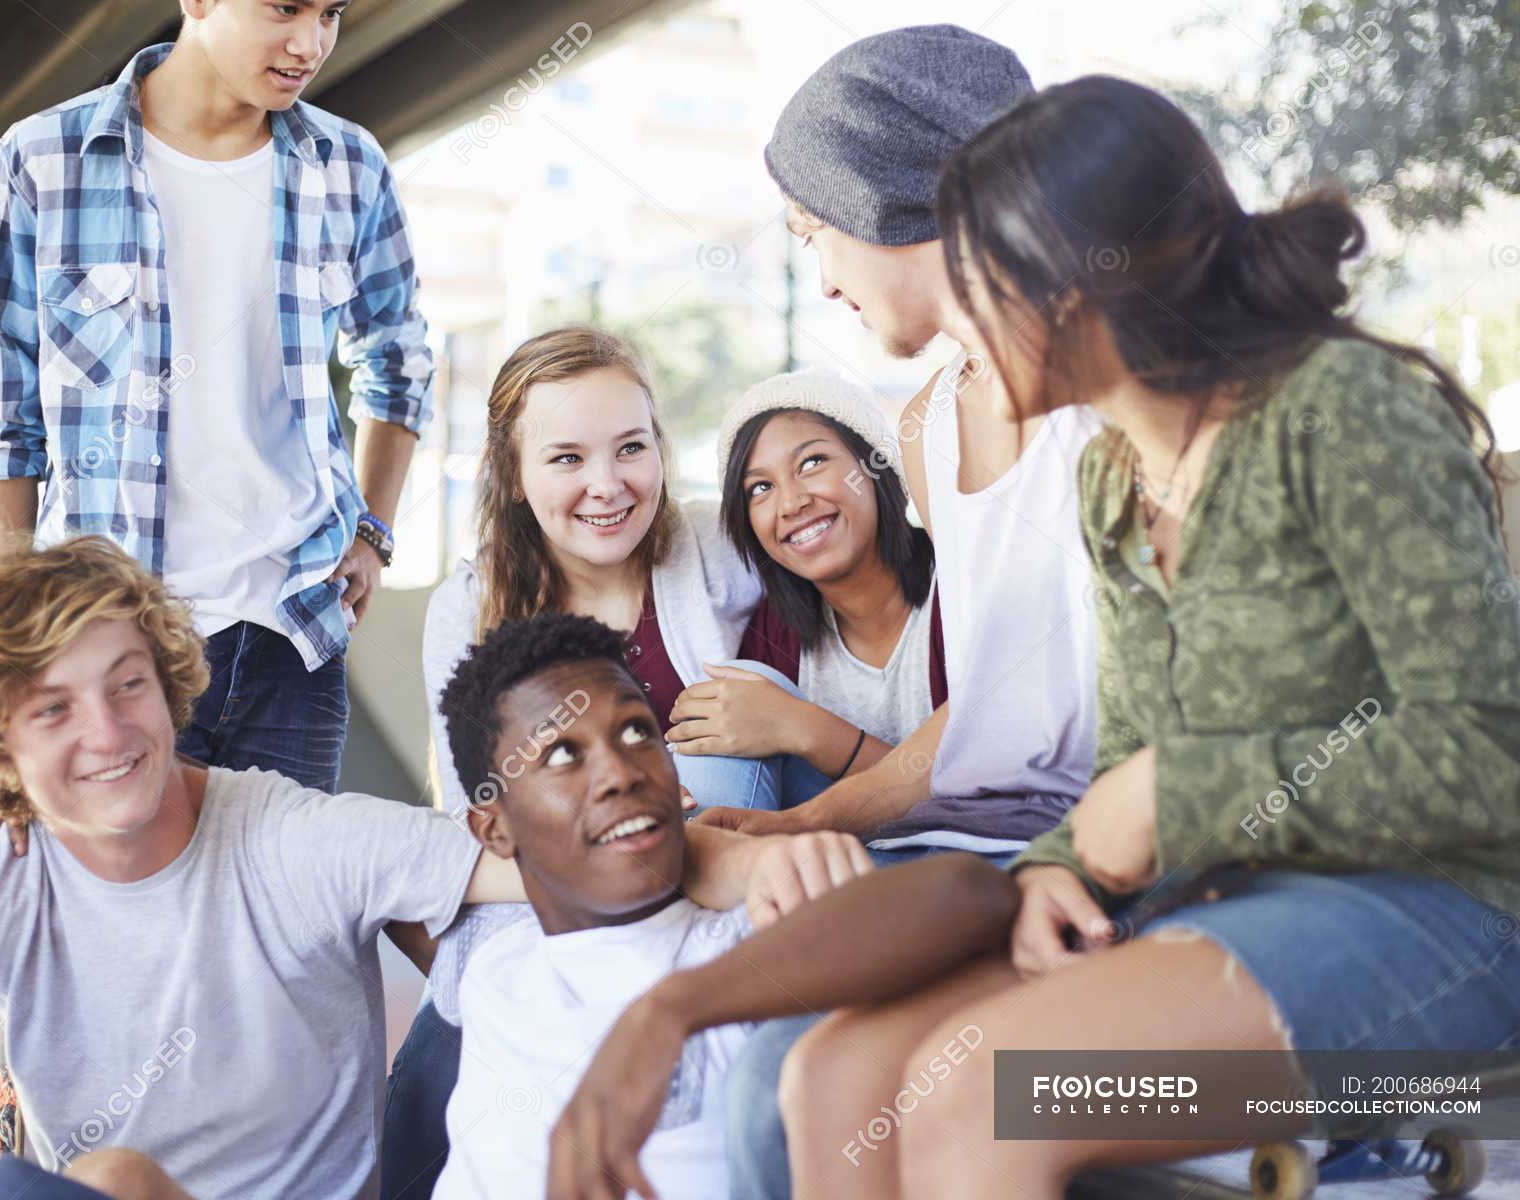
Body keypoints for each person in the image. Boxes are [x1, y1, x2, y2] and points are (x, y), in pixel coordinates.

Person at [544, 74, 1520, 1200]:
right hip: (1229, 899)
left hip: (1450, 924)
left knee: (991, 1094)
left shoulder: (1338, 410)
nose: (951, 327)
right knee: (834, 1078)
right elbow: (1118, 783)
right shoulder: (1113, 479)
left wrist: (1178, 792)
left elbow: (1489, 751)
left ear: (1076, 279)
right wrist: (1063, 871)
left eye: (977, 284)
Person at [0, 539, 848, 1200]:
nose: (107, 733)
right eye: (51, 710)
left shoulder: (297, 840)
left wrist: (768, 866)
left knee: (99, 1177)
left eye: (127, 684)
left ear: (170, 687)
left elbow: (568, 853)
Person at [697, 28, 1098, 1198]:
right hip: (965, 845)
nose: (820, 279)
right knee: (773, 1070)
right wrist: (792, 826)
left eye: (814, 234)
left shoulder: (1108, 399)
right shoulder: (925, 429)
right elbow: (980, 714)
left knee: (797, 1075)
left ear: (892, 194)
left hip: (1082, 858)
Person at [0, 0, 426, 796]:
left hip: (294, 636)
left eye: (332, 13)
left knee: (290, 919)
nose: (309, 43)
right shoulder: (43, 161)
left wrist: (374, 532)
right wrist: (16, 629)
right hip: (105, 637)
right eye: (285, 8)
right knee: (114, 913)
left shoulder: (349, 167)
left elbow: (400, 363)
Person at [384, 326, 770, 1197]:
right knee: (428, 1114)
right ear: (514, 476)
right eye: (567, 458)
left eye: (631, 448)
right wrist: (681, 861)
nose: (608, 485)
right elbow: (482, 834)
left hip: (709, 927)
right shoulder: (471, 606)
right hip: (541, 922)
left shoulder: (715, 552)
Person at [427, 612, 875, 1199]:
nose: (619, 773)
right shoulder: (488, 959)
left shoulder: (749, 942)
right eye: (562, 755)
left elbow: (973, 897)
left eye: (638, 732)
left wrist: (670, 1008)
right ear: (494, 831)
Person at [662, 368, 941, 815]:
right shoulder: (776, 632)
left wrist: (806, 729)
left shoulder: (959, 592)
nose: (791, 503)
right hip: (841, 857)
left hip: (988, 853)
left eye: (812, 463)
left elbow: (983, 793)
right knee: (727, 704)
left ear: (875, 466)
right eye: (761, 488)